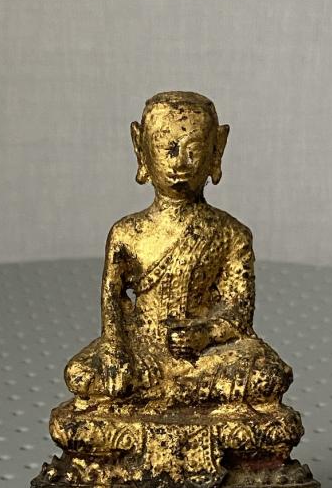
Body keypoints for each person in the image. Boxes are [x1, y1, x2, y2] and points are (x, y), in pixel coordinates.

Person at [64, 91, 293, 408]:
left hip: (204, 355)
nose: (180, 162)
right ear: (141, 148)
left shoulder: (231, 233)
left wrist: (205, 334)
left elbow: (238, 311)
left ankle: (170, 391)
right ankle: (178, 391)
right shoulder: (127, 233)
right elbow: (112, 299)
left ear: (217, 149)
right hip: (143, 348)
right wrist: (115, 348)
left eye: (193, 149)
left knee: (267, 374)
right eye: (166, 148)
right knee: (81, 374)